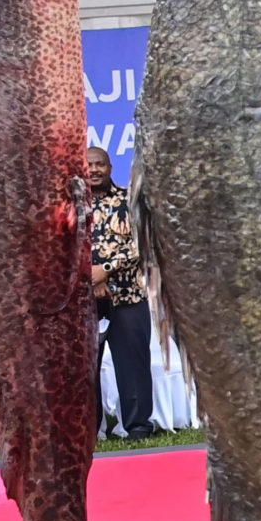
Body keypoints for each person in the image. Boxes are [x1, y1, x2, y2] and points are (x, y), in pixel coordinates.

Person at [87, 145, 158, 439]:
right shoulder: (69, 205)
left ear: (109, 167)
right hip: (83, 301)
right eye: (89, 165)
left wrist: (106, 269)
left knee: (133, 362)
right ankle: (90, 431)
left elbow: (142, 243)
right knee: (83, 368)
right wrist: (92, 275)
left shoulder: (129, 200)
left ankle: (138, 425)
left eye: (99, 164)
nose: (94, 170)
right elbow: (63, 248)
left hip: (128, 295)